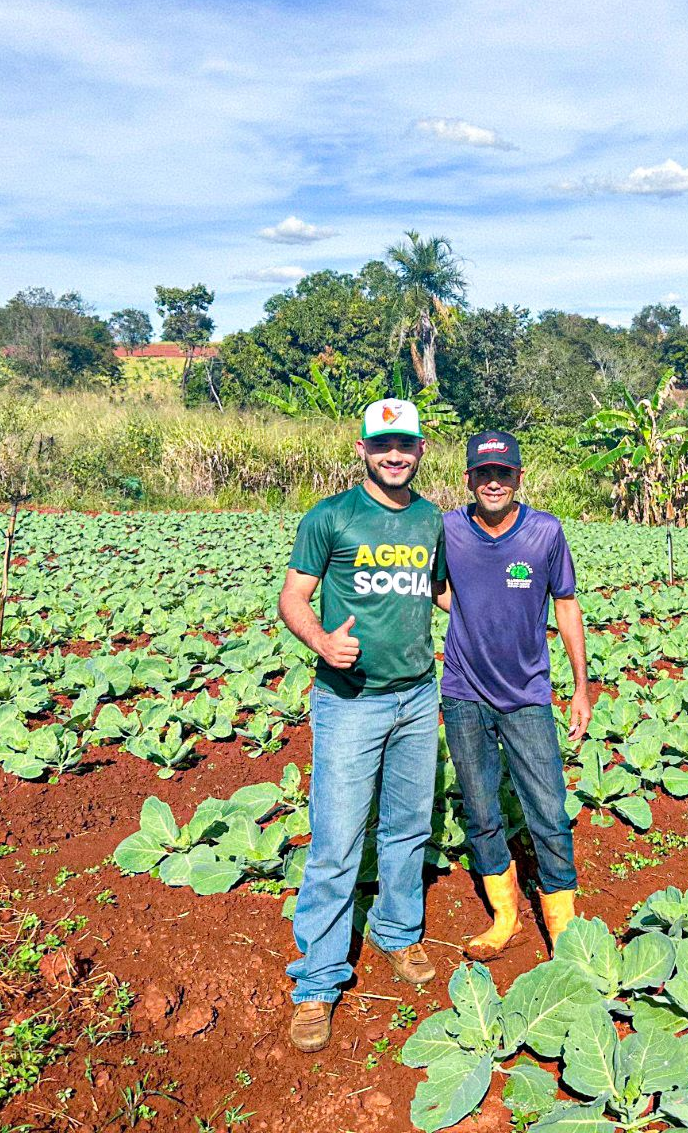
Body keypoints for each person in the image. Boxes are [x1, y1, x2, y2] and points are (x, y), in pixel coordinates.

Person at [276, 398, 447, 1053]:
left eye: (405, 444)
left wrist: (507, 599)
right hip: (350, 702)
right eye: (383, 445)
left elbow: (440, 592)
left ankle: (398, 933)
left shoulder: (432, 520)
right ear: (362, 450)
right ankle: (317, 981)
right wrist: (321, 640)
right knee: (338, 840)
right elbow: (294, 595)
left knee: (408, 827)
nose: (394, 455)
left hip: (414, 697)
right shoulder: (332, 517)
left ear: (420, 450)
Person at [436, 429, 592, 961]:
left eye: (503, 473)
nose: (493, 482)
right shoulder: (449, 529)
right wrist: (468, 614)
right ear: (469, 478)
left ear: (519, 477)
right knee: (480, 808)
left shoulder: (545, 533)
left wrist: (581, 687)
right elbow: (437, 587)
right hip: (463, 692)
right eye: (484, 473)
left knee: (547, 806)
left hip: (527, 695)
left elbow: (566, 605)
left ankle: (563, 926)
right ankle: (505, 915)